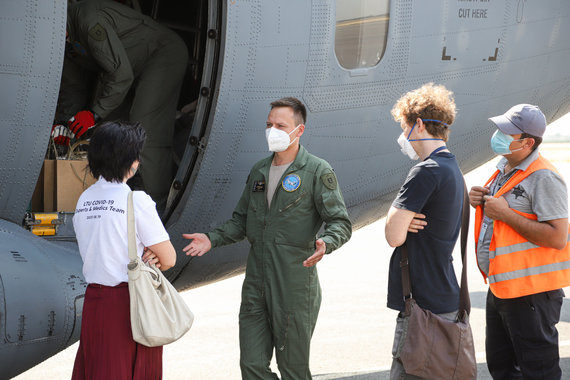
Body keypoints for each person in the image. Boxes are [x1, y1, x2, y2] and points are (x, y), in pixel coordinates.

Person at [182, 97, 352, 380]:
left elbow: (340, 222)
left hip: (294, 283)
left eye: (280, 125)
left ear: (299, 131)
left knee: (293, 370)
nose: (272, 130)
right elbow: (241, 221)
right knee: (251, 366)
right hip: (256, 281)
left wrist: (327, 243)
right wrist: (211, 239)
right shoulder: (260, 171)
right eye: (269, 124)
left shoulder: (316, 171)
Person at [469, 104, 570, 379]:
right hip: (503, 287)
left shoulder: (544, 176)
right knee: (501, 367)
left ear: (527, 142)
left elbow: (558, 238)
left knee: (538, 371)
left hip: (532, 293)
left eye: (506, 132)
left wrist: (506, 214)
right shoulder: (505, 167)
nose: (498, 134)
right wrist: (480, 200)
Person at [72, 121, 176, 379]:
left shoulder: (84, 200)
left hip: (95, 303)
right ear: (132, 162)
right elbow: (170, 258)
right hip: (128, 304)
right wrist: (150, 254)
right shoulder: (136, 200)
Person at [60, 0, 188, 211]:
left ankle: (156, 207)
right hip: (124, 69)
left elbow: (121, 75)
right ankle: (114, 204)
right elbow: (73, 88)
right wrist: (65, 123)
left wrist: (94, 113)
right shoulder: (64, 42)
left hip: (161, 55)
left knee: (145, 128)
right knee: (107, 132)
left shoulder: (87, 20)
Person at [384, 83, 464, 379]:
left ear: (418, 125)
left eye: (404, 127)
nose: (403, 136)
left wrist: (394, 214)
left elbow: (394, 235)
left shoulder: (426, 170)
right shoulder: (452, 167)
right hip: (443, 296)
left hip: (422, 307)